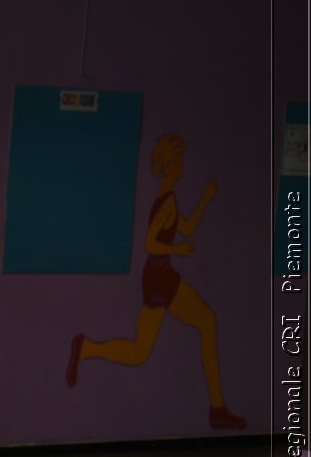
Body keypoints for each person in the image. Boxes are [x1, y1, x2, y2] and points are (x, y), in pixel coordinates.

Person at [66, 133, 244, 429]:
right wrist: (176, 249)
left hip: (160, 275)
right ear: (168, 165)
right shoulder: (165, 202)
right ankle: (217, 407)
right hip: (161, 276)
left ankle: (87, 348)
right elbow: (150, 243)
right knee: (199, 326)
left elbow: (185, 227)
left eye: (181, 160)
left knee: (151, 346)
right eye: (177, 161)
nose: (181, 166)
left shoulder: (169, 198)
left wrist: (205, 199)